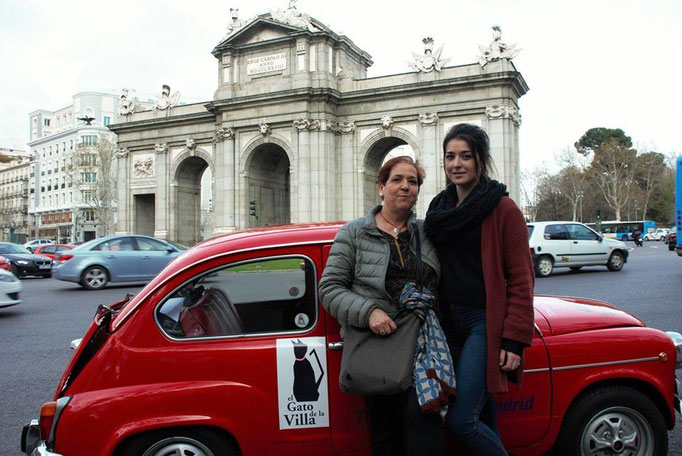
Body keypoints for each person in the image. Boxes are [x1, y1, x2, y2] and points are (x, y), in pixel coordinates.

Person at [319, 156, 444, 456]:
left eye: (412, 182)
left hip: (425, 348)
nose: (405, 187)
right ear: (381, 187)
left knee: (426, 421)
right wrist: (368, 312)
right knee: (385, 433)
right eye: (397, 180)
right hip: (379, 349)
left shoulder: (427, 233)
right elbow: (330, 288)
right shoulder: (354, 233)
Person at [424, 123, 535, 456]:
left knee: (462, 421)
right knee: (481, 412)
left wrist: (514, 340)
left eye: (465, 156)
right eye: (450, 156)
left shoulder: (503, 209)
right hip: (448, 325)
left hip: (483, 322)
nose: (457, 164)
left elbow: (522, 278)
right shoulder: (438, 210)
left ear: (481, 160)